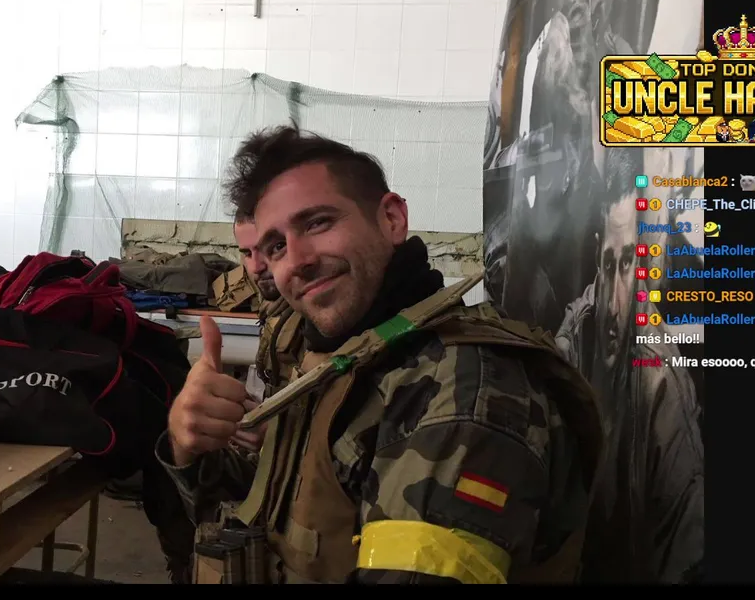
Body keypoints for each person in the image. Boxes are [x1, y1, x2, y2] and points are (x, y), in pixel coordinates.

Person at [157, 126, 603, 584]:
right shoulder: (348, 355)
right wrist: (188, 444)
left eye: (318, 223)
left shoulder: (460, 393)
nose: (298, 260)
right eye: (277, 247)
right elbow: (270, 510)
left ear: (391, 219)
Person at [554, 149, 705, 584]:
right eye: (608, 264)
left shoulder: (663, 388)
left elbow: (685, 551)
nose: (615, 305)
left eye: (627, 265)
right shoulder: (577, 333)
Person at [234, 212, 301, 394]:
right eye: (247, 253)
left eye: (273, 248)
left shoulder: (317, 318)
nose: (256, 267)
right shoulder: (272, 308)